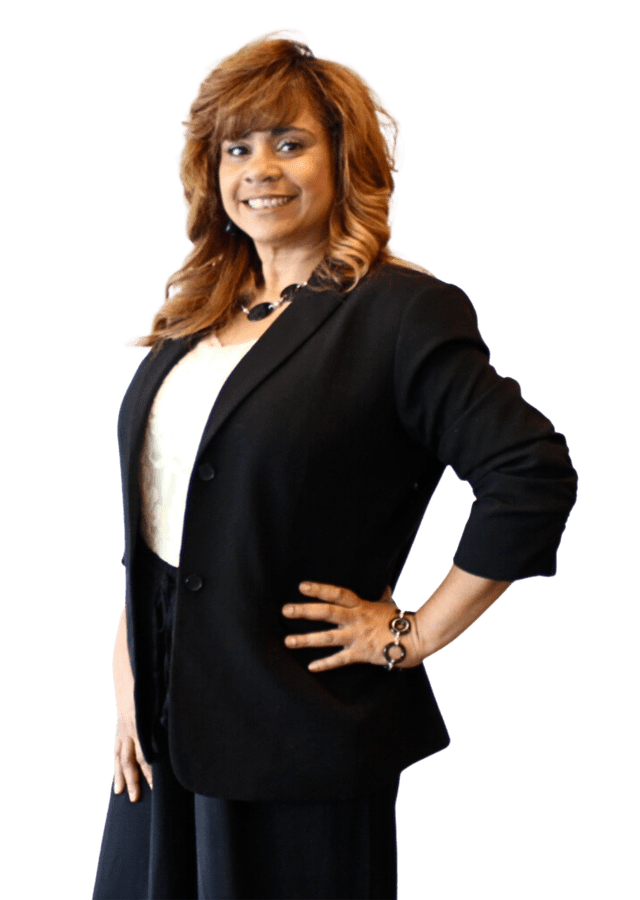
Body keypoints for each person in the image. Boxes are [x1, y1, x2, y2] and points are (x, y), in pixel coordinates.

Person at [92, 28, 578, 900]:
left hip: (295, 731)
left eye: (290, 143)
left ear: (345, 159)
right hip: (158, 729)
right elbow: (169, 513)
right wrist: (128, 665)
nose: (259, 169)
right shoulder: (199, 308)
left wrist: (414, 632)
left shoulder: (401, 313)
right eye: (237, 147)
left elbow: (531, 474)